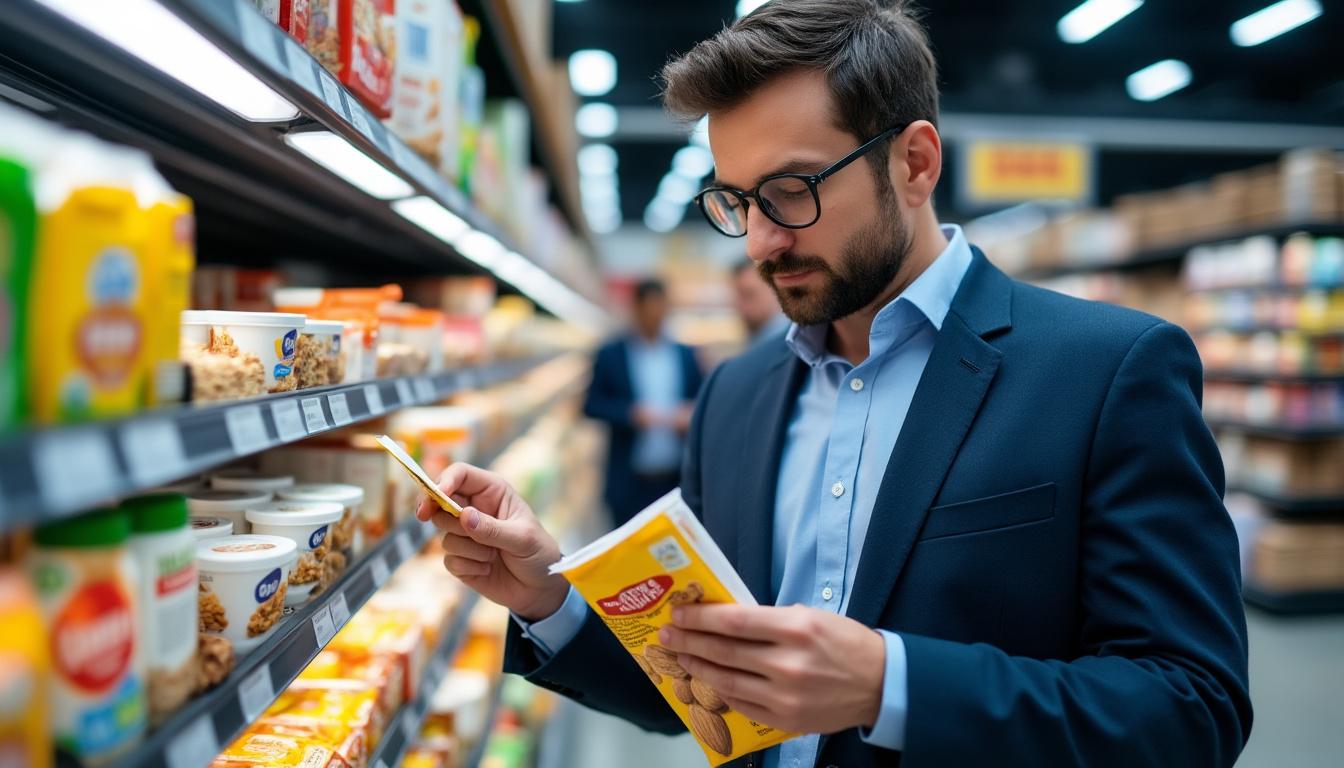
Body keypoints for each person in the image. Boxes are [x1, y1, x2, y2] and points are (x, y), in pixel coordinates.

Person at [418, 1, 1252, 766]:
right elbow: (707, 689)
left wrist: (890, 685)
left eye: (792, 191)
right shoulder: (736, 395)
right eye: (737, 201)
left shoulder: (1107, 370)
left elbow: (1191, 707)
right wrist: (550, 595)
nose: (760, 242)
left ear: (914, 163)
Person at [581, 279, 704, 526]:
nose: (655, 316)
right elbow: (591, 405)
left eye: (660, 308)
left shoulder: (686, 355)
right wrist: (630, 414)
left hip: (675, 480)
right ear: (636, 309)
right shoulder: (611, 354)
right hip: (629, 482)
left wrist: (691, 414)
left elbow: (701, 400)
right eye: (649, 309)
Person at [732, 259, 789, 345]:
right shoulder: (756, 334)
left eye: (749, 295)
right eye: (737, 297)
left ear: (775, 289)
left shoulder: (787, 341)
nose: (741, 307)